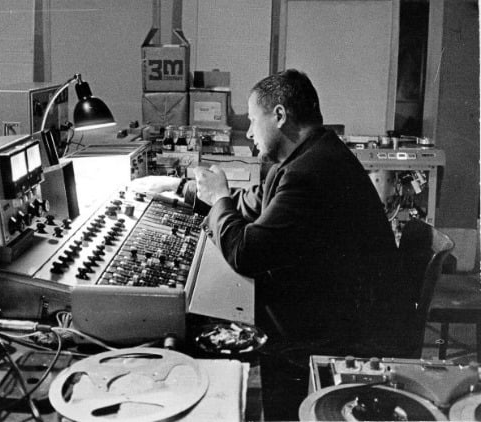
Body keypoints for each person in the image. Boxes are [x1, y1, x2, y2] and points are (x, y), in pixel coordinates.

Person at [131, 69, 412, 420]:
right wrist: (188, 191)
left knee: (201, 326)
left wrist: (219, 199)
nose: (248, 132)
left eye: (252, 120)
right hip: (333, 309)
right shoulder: (307, 156)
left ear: (279, 116)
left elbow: (244, 253)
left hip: (338, 334)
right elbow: (254, 204)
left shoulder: (309, 173)